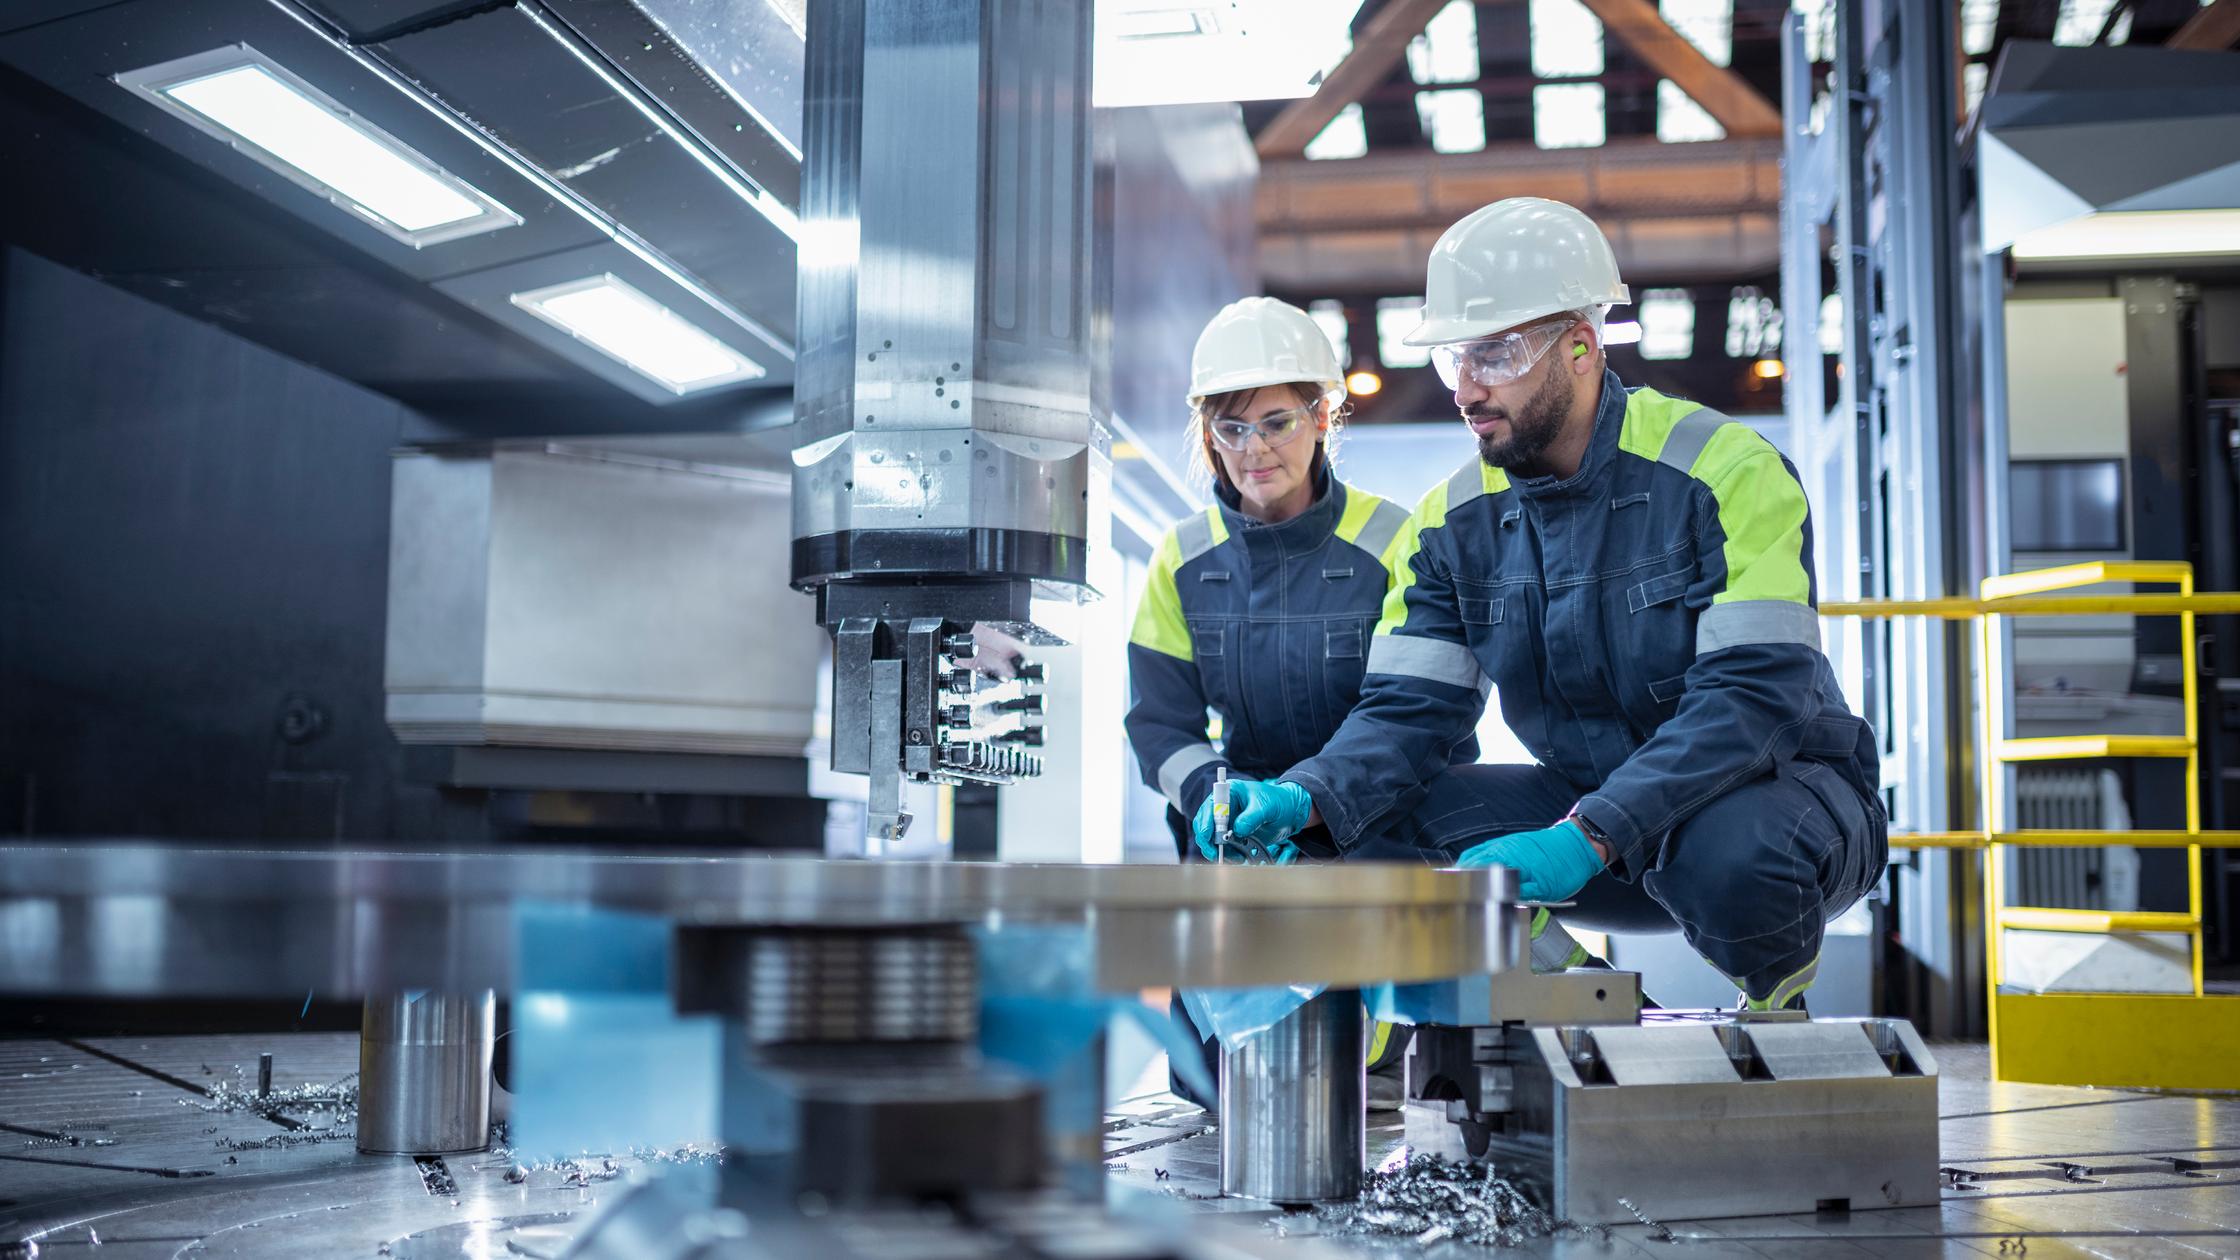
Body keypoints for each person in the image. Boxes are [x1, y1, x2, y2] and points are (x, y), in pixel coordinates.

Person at [1203, 199, 1887, 1012]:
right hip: (1587, 828)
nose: (1466, 386)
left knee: (1733, 852)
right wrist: (1307, 795)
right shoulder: (1447, 524)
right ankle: (1596, 1005)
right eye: (1457, 354)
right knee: (1357, 831)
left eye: (1496, 352)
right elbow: (1406, 715)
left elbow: (1752, 698)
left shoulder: (1726, 471)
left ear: (1582, 346)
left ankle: (1779, 1009)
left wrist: (1589, 831)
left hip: (1771, 810)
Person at [1124, 296, 1463, 1106]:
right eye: (1231, 428)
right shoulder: (1182, 559)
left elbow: (1419, 716)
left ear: (1323, 415)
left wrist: (1312, 806)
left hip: (1384, 830)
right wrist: (1215, 799)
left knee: (1390, 1085)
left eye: (1275, 422)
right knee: (1213, 1086)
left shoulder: (1395, 541)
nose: (1254, 449)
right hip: (1243, 842)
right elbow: (1160, 721)